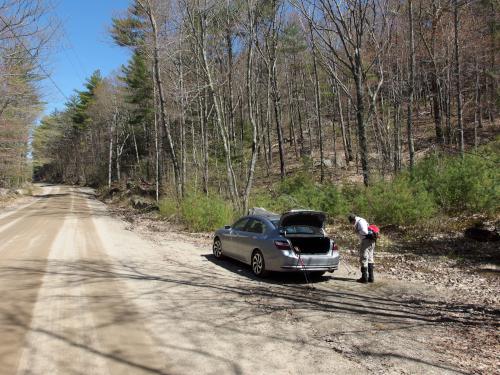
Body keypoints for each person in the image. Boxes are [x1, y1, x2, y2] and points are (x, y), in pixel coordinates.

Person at [348, 214, 375, 283]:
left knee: (363, 259)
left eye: (352, 222)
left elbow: (364, 232)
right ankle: (371, 278)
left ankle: (364, 278)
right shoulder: (362, 220)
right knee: (370, 259)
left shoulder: (359, 222)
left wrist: (357, 231)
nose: (352, 224)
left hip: (366, 241)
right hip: (372, 241)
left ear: (353, 220)